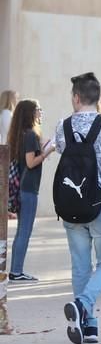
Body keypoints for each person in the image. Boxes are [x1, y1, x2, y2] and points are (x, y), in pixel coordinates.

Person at [57, 72, 101, 344]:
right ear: (98, 97)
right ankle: (83, 304)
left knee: (80, 266)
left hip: (71, 203)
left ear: (76, 97)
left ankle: (89, 325)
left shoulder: (61, 126)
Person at [7, 99, 55, 281]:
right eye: (38, 110)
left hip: (22, 188)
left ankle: (16, 270)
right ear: (30, 113)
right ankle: (16, 271)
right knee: (24, 231)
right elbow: (30, 162)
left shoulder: (21, 134)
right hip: (28, 189)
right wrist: (48, 151)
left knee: (22, 230)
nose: (40, 113)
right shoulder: (30, 135)